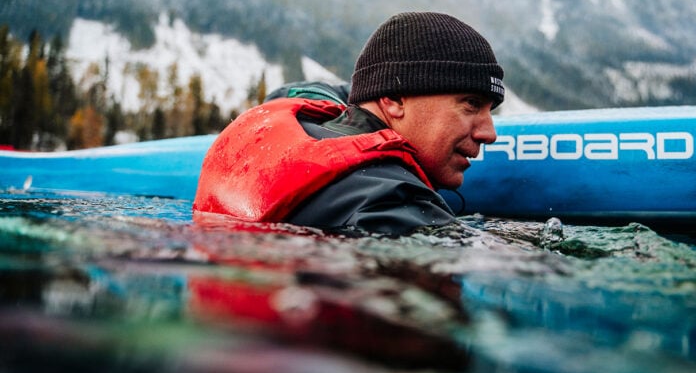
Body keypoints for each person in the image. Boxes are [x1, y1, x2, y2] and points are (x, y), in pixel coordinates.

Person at [194, 12, 505, 236]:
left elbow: (299, 91)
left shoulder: (302, 123)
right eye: (471, 104)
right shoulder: (392, 203)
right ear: (395, 100)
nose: (488, 133)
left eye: (491, 110)